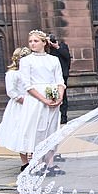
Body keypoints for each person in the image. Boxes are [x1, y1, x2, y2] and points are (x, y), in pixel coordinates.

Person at [13, 31, 65, 175]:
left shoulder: (53, 60)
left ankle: (50, 163)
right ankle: (37, 164)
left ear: (44, 43)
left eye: (36, 41)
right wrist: (43, 100)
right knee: (36, 130)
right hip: (36, 100)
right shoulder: (26, 60)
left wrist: (59, 97)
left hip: (52, 94)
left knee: (51, 130)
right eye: (30, 41)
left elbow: (60, 81)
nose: (32, 44)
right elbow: (27, 85)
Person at [0, 47, 32, 170]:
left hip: (33, 104)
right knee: (20, 133)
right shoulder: (12, 74)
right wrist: (24, 101)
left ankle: (35, 159)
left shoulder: (31, 73)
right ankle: (25, 163)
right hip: (19, 107)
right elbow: (11, 91)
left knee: (33, 131)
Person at [47, 35, 71, 124]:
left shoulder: (62, 46)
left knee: (62, 96)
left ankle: (63, 116)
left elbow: (67, 56)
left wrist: (57, 47)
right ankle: (52, 115)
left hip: (62, 75)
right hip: (49, 77)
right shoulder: (46, 49)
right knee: (51, 95)